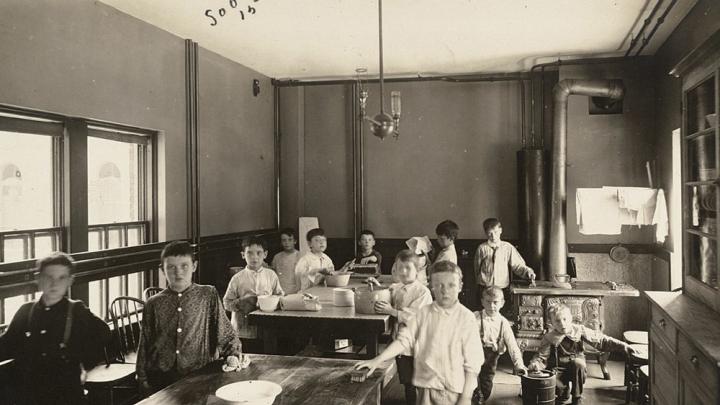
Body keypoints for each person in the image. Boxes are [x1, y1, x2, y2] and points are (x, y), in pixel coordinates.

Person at [355, 260, 483, 405]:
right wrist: (377, 360)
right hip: (426, 387)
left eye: (451, 285)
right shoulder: (424, 313)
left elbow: (473, 363)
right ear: (431, 287)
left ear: (460, 286)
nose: (444, 291)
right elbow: (404, 340)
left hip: (453, 390)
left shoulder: (466, 318)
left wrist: (466, 398)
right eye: (439, 285)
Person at [0, 252, 109, 405]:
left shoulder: (76, 310)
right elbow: (6, 345)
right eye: (48, 277)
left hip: (65, 392)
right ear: (38, 279)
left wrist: (83, 364)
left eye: (61, 278)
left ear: (70, 280)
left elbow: (103, 334)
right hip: (28, 391)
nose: (54, 283)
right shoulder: (26, 311)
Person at [137, 241, 241, 394]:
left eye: (184, 266)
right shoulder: (153, 303)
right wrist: (142, 377)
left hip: (198, 373)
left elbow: (225, 332)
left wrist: (233, 355)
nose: (178, 272)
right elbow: (145, 342)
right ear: (162, 270)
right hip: (161, 377)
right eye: (171, 267)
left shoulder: (207, 295)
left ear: (194, 266)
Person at [528, 304, 637, 405]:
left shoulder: (579, 330)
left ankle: (577, 397)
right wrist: (535, 364)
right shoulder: (549, 337)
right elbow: (542, 357)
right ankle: (563, 395)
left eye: (565, 319)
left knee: (578, 363)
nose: (562, 324)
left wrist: (623, 346)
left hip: (577, 367)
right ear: (551, 323)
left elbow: (601, 340)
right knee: (560, 396)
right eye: (557, 321)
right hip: (558, 368)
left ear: (571, 318)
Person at [373, 249, 432, 405]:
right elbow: (388, 296)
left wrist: (391, 311)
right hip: (400, 342)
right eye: (400, 268)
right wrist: (377, 286)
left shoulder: (422, 292)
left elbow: (414, 317)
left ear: (418, 270)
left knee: (417, 380)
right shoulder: (397, 287)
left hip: (417, 345)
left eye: (408, 268)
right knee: (406, 379)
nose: (404, 272)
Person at [224, 237, 284, 349]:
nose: (254, 257)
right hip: (243, 330)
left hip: (267, 328)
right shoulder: (237, 278)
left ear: (265, 254)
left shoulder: (271, 275)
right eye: (249, 253)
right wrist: (242, 301)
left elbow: (280, 295)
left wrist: (271, 301)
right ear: (243, 255)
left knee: (268, 357)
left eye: (259, 253)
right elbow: (226, 303)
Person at [471, 287, 527, 404]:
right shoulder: (475, 317)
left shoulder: (503, 323)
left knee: (486, 384)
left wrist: (519, 365)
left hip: (491, 358)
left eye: (495, 302)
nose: (492, 306)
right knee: (471, 382)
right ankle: (475, 398)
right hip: (474, 354)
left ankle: (482, 398)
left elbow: (513, 346)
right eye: (488, 302)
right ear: (482, 302)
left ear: (502, 303)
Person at [474, 218, 535, 313]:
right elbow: (476, 268)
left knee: (502, 315)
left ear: (501, 230)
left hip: (502, 288)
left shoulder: (507, 247)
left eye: (495, 232)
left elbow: (517, 265)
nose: (493, 236)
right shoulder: (482, 248)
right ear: (486, 233)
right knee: (484, 314)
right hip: (485, 288)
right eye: (490, 233)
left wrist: (528, 272)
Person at [271, 228, 301, 294]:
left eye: (290, 240)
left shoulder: (300, 256)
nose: (287, 243)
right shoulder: (277, 257)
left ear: (295, 241)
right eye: (284, 240)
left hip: (295, 291)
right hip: (280, 291)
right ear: (281, 242)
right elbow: (273, 274)